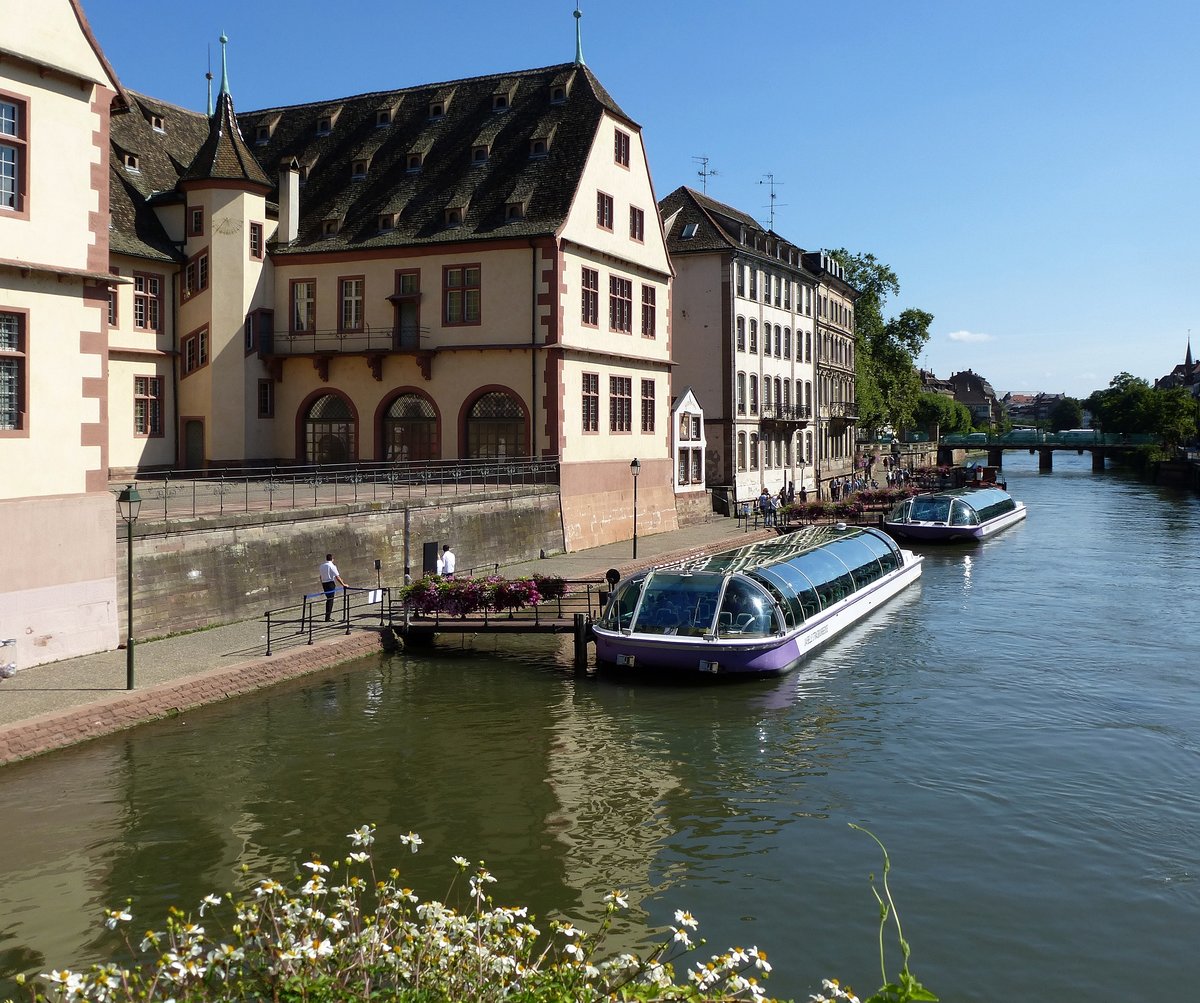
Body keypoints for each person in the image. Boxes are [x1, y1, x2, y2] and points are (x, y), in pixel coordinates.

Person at [318, 553, 346, 622]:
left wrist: (322, 583)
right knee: (330, 600)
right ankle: (327, 617)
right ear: (332, 559)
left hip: (324, 583)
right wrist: (343, 584)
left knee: (328, 599)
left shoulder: (322, 566)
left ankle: (327, 616)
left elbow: (320, 576)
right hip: (330, 583)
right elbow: (337, 577)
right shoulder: (332, 566)